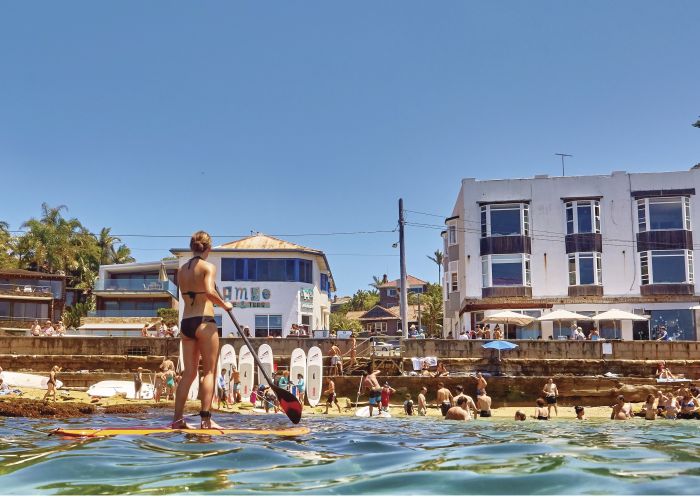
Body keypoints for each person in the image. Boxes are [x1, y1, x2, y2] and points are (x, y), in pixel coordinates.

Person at [172, 231, 233, 430]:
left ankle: (177, 420)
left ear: (192, 247)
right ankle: (205, 420)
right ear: (208, 248)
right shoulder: (208, 267)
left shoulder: (181, 271)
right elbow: (208, 291)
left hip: (186, 323)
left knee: (189, 373)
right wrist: (225, 305)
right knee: (209, 372)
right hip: (205, 322)